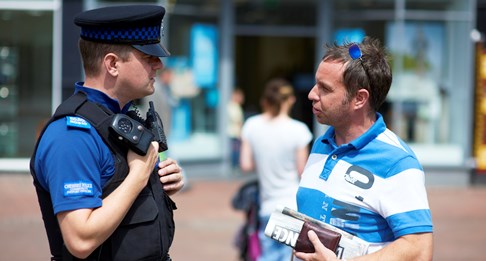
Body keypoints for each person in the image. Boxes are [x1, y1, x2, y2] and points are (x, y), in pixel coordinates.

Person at [30, 5, 184, 261]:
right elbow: (80, 239)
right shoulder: (72, 135)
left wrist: (157, 184)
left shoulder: (121, 119)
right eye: (148, 57)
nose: (158, 65)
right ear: (112, 64)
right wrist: (139, 176)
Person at [294, 37, 433, 261]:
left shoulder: (397, 161)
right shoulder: (322, 143)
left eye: (325, 89)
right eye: (315, 83)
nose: (311, 94)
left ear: (359, 99)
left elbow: (419, 250)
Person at [240, 78, 313, 261]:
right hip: (292, 205)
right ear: (290, 100)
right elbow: (302, 171)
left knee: (268, 255)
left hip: (266, 205)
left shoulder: (252, 125)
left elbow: (245, 164)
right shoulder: (299, 130)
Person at [228, 88, 245, 171]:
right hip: (234, 132)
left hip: (233, 132)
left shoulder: (231, 106)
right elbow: (238, 120)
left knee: (234, 149)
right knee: (235, 150)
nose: (242, 98)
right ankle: (235, 166)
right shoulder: (234, 107)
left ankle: (234, 166)